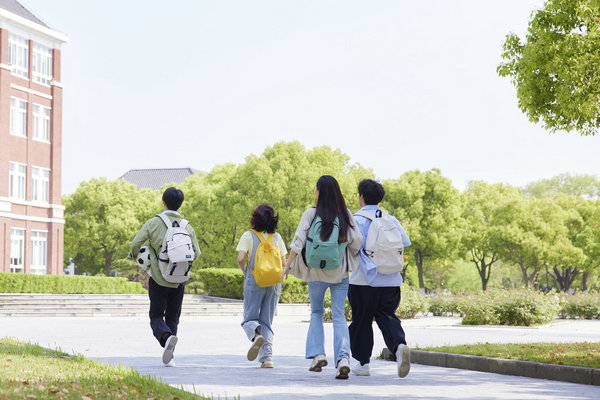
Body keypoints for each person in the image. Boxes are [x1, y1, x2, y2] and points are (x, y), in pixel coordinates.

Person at [282, 175, 362, 379]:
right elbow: (357, 241)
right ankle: (343, 359)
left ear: (318, 192)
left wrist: (288, 266)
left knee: (316, 312)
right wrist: (349, 255)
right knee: (338, 315)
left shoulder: (311, 213)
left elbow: (298, 241)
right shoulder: (344, 214)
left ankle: (318, 355)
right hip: (339, 272)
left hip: (315, 271)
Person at [129, 187, 200, 367]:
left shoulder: (154, 223)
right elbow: (196, 252)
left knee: (156, 316)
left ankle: (167, 338)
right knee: (173, 317)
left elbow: (135, 243)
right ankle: (170, 356)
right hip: (180, 280)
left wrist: (134, 256)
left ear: (164, 202)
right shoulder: (187, 226)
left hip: (159, 278)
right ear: (180, 204)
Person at [348, 179, 411, 377]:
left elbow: (352, 246)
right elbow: (405, 243)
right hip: (391, 278)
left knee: (361, 320)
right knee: (387, 316)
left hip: (364, 279)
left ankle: (363, 363)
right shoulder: (390, 218)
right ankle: (399, 345)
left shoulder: (356, 219)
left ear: (361, 197)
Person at [236, 204, 287, 368]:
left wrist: (245, 271)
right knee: (267, 321)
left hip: (254, 280)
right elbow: (284, 263)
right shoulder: (277, 238)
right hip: (274, 282)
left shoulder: (248, 235)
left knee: (249, 318)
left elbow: (240, 258)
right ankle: (267, 358)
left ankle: (256, 335)